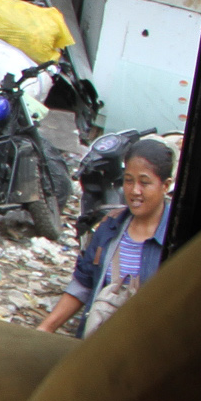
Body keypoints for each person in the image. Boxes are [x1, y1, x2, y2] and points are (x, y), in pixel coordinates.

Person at [39, 137, 175, 336]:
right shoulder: (110, 226)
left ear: (165, 186)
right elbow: (83, 283)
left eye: (145, 182)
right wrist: (46, 328)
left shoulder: (175, 237)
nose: (134, 191)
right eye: (129, 180)